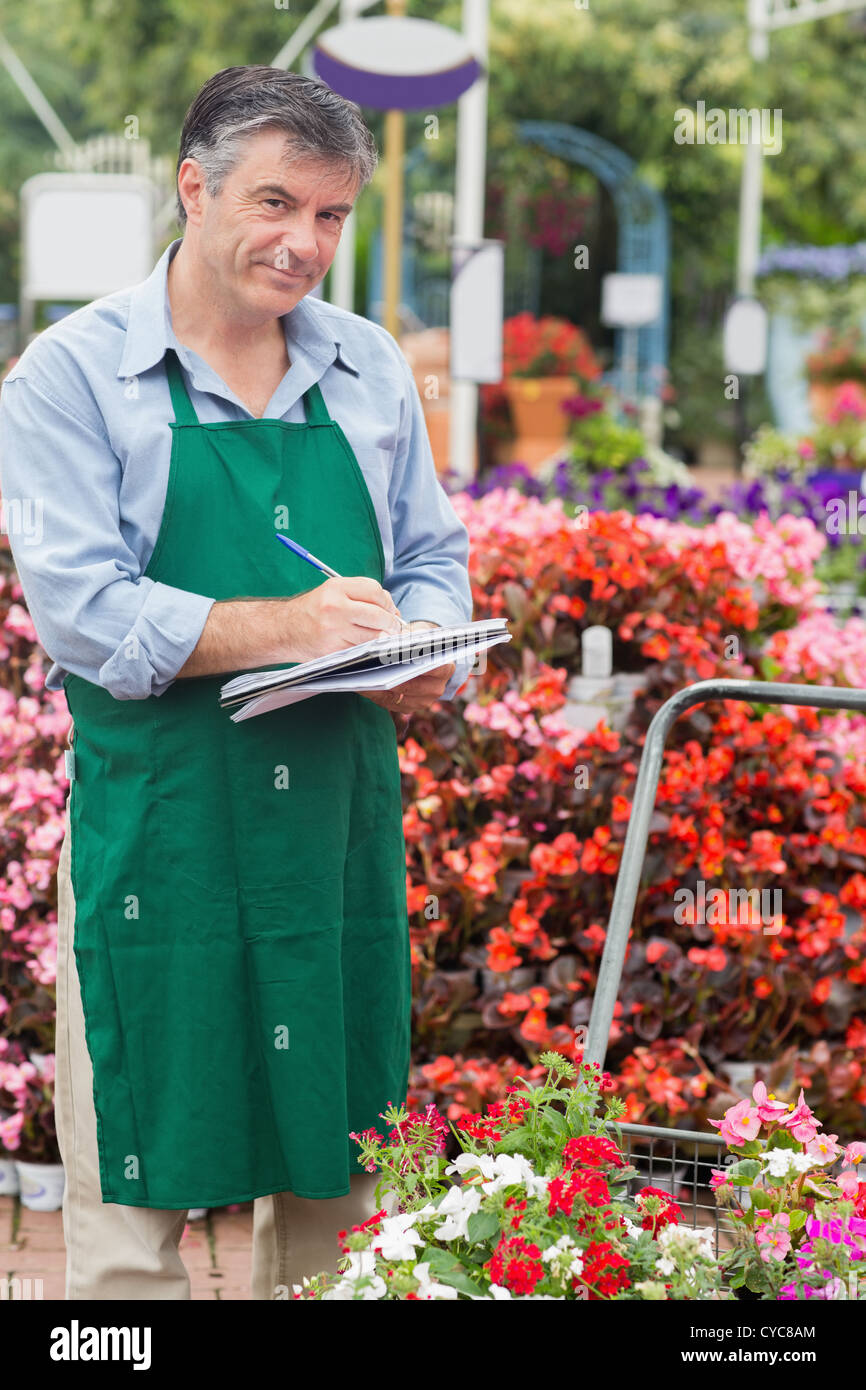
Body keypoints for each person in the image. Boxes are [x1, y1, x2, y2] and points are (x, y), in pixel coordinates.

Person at [0, 64, 473, 1300]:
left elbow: (429, 553)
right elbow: (87, 612)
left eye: (329, 215)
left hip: (330, 826)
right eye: (274, 203)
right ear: (193, 186)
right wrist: (294, 626)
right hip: (162, 831)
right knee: (134, 1189)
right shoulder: (70, 375)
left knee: (339, 1181)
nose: (302, 242)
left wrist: (421, 648)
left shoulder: (367, 365)